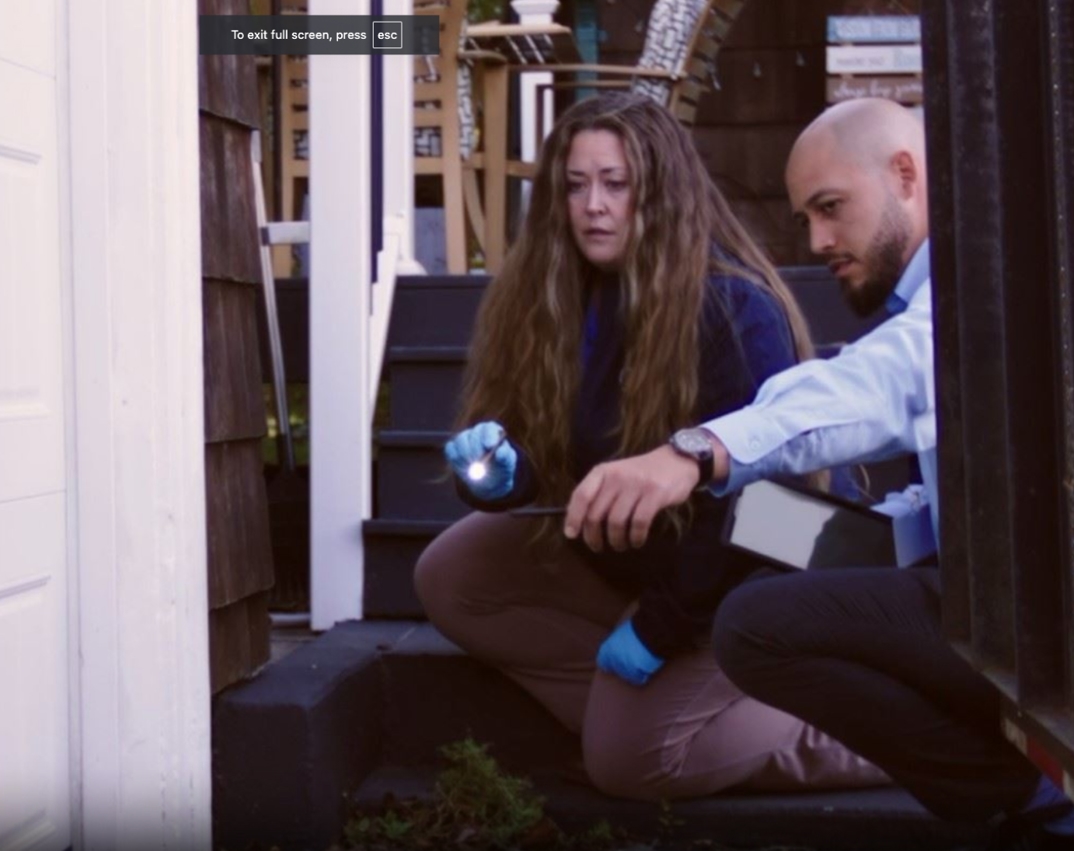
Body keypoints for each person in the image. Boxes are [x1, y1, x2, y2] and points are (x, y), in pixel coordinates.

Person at [562, 97, 1074, 849]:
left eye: (831, 207)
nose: (819, 239)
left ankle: (1029, 795)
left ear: (905, 174)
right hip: (989, 586)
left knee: (756, 619)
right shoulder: (938, 288)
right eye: (806, 216)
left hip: (1041, 612)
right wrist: (848, 534)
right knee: (792, 543)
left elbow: (881, 382)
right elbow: (940, 495)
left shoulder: (979, 282)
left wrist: (696, 451)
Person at [412, 92, 886, 801]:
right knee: (452, 574)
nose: (592, 205)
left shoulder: (733, 306)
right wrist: (502, 476)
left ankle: (883, 737)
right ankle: (646, 713)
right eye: (576, 185)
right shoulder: (565, 294)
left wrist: (662, 628)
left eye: (616, 183)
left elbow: (766, 513)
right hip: (653, 556)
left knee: (627, 764)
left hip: (774, 562)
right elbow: (550, 453)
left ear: (658, 191)